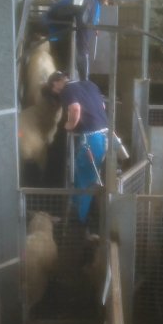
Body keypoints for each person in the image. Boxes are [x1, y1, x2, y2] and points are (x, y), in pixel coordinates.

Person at [47, 71, 108, 229]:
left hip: (91, 137)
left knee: (85, 180)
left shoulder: (67, 90)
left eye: (54, 88)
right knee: (91, 175)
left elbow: (74, 109)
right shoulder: (89, 84)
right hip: (106, 134)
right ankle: (85, 218)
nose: (56, 92)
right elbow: (102, 105)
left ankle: (79, 224)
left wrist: (69, 125)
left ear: (57, 83)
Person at [46, 0, 111, 81]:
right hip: (93, 3)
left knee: (51, 13)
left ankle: (57, 50)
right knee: (83, 44)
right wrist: (105, 0)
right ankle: (84, 80)